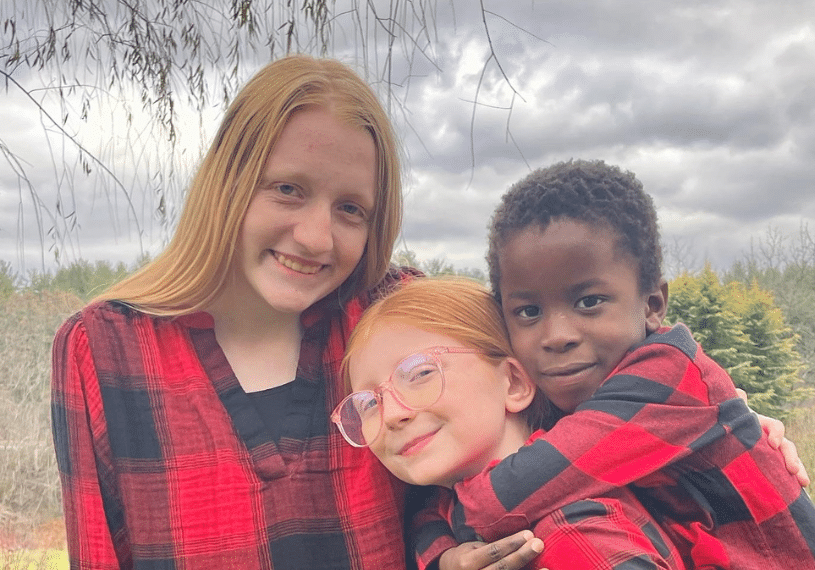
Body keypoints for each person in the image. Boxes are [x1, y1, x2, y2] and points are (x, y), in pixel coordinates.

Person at [49, 54, 541, 570]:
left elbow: (500, 448)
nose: (315, 237)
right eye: (288, 190)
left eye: (350, 208)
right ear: (228, 182)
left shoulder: (395, 316)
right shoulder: (101, 348)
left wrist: (445, 557)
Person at [438, 159, 815, 568]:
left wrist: (445, 529)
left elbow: (497, 503)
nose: (556, 335)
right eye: (528, 311)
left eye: (589, 302)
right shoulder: (558, 389)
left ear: (652, 306)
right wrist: (441, 553)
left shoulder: (668, 376)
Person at [334, 276, 689, 570]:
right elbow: (428, 517)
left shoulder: (571, 531)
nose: (392, 414)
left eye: (420, 373)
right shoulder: (449, 512)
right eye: (367, 403)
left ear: (515, 384)